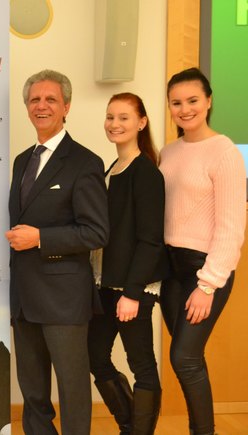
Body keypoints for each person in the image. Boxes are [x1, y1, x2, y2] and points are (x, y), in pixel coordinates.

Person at [6, 70, 109, 435]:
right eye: (35, 100)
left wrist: (40, 238)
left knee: (72, 389)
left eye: (50, 99)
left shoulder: (85, 162)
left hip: (64, 299)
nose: (42, 106)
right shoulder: (22, 161)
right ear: (27, 107)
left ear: (66, 107)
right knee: (33, 392)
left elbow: (96, 232)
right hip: (24, 297)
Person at [159, 67, 246, 435]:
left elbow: (231, 227)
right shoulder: (168, 152)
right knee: (188, 359)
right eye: (176, 102)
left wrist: (208, 284)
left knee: (184, 358)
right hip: (170, 269)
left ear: (208, 101)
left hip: (203, 269)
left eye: (193, 100)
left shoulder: (225, 152)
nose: (185, 109)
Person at [87, 93, 169, 434]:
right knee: (96, 357)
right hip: (106, 284)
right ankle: (129, 426)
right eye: (110, 117)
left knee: (142, 366)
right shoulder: (111, 170)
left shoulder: (146, 173)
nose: (114, 124)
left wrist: (133, 293)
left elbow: (151, 240)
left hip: (132, 288)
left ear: (141, 123)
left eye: (123, 117)